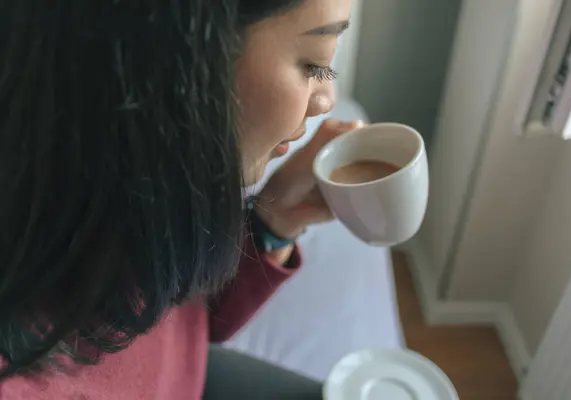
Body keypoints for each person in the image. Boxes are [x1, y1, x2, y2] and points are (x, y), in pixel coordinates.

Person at [0, 0, 358, 398]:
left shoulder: (133, 190)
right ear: (170, 59)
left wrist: (274, 223)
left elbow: (194, 317)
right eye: (314, 64)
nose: (326, 99)